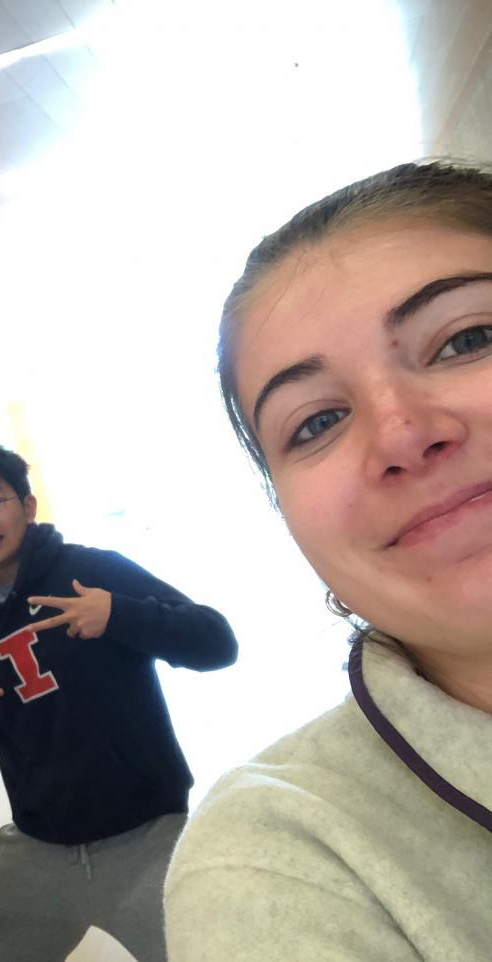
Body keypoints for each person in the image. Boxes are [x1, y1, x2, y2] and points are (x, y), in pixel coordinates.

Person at [164, 161, 492, 961]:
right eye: (315, 423)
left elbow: (207, 640)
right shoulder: (271, 860)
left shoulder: (92, 572)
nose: (402, 433)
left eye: (467, 339)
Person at [0, 443, 237, 962]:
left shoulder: (93, 571)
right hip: (38, 851)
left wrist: (118, 614)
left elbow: (217, 643)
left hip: (147, 840)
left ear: (28, 506)